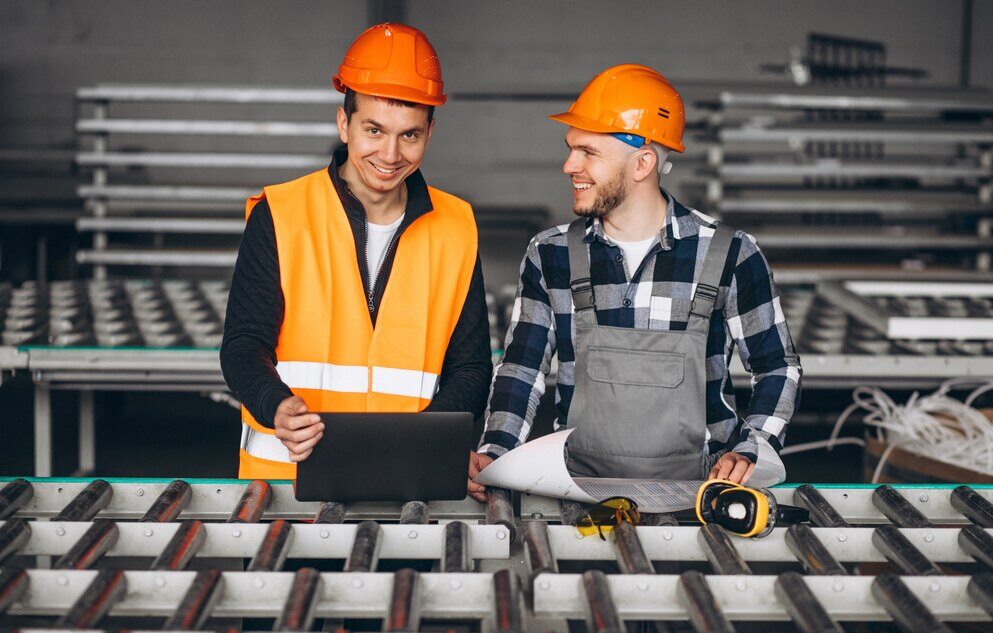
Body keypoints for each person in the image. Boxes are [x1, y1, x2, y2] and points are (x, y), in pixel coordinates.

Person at [468, 64, 801, 501]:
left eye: (588, 152)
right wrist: (498, 449)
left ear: (642, 163)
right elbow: (522, 368)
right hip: (576, 495)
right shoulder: (551, 254)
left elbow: (777, 366)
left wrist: (753, 445)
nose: (570, 165)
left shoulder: (731, 255)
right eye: (571, 149)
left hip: (698, 498)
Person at [222, 23, 492, 480]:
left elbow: (470, 366)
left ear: (430, 131)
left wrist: (422, 445)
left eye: (410, 135)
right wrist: (276, 405)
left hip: (406, 485)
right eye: (374, 130)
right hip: (287, 487)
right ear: (344, 124)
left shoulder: (456, 226)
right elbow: (244, 345)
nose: (390, 154)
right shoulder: (281, 214)